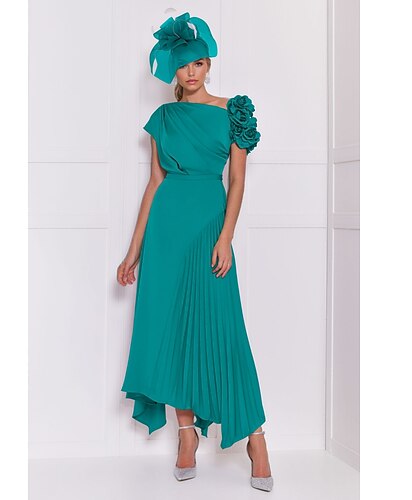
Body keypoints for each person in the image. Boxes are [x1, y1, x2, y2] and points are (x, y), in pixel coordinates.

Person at [117, 11, 273, 492]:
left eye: (199, 63)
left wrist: (226, 237)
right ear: (174, 69)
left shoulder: (232, 111)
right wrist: (134, 250)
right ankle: (186, 435)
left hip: (209, 229)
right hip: (166, 233)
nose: (192, 72)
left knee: (225, 331)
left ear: (208, 66)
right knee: (172, 331)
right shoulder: (164, 119)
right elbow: (154, 183)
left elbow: (237, 181)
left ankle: (256, 438)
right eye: (184, 64)